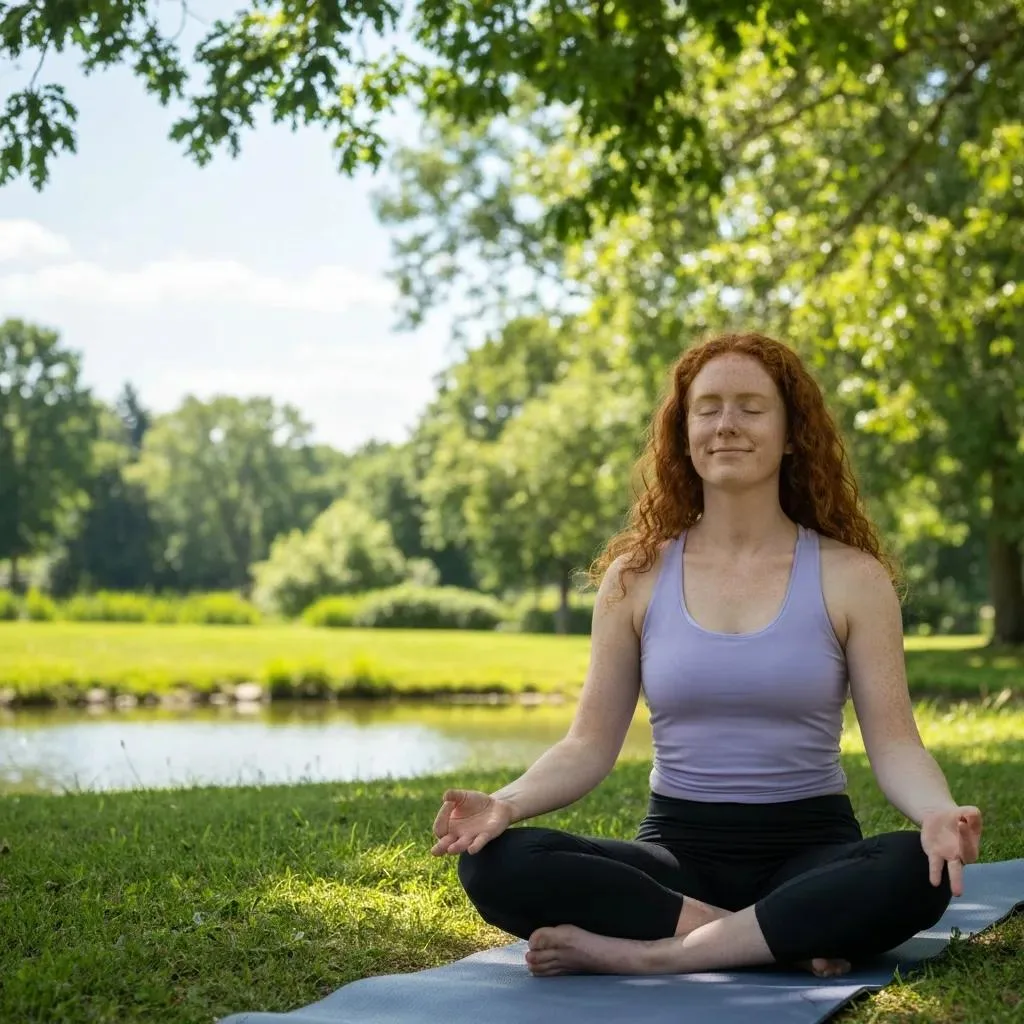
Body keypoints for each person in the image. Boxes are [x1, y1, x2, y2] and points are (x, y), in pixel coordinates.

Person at [429, 331, 983, 979]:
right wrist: (506, 803)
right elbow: (587, 745)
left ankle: (654, 955)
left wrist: (936, 812)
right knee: (496, 863)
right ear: (684, 432)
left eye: (751, 407)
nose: (726, 425)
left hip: (810, 853)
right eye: (708, 408)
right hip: (677, 861)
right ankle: (779, 934)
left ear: (792, 433)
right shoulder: (635, 577)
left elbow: (895, 745)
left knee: (917, 868)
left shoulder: (853, 577)